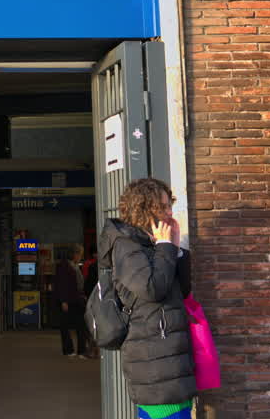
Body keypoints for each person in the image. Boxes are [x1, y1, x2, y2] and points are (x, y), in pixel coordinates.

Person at [100, 178, 195, 419]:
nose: (169, 212)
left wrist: (174, 248)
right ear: (143, 208)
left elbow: (181, 290)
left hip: (167, 355)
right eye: (162, 207)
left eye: (169, 205)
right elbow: (152, 289)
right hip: (153, 358)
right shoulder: (126, 246)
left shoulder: (150, 243)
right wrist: (165, 247)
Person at [55, 245, 91, 358]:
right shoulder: (65, 266)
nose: (81, 257)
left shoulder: (73, 266)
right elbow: (62, 284)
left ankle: (80, 350)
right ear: (74, 254)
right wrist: (63, 301)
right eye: (80, 254)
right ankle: (70, 350)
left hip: (76, 298)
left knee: (80, 325)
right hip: (69, 300)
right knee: (69, 326)